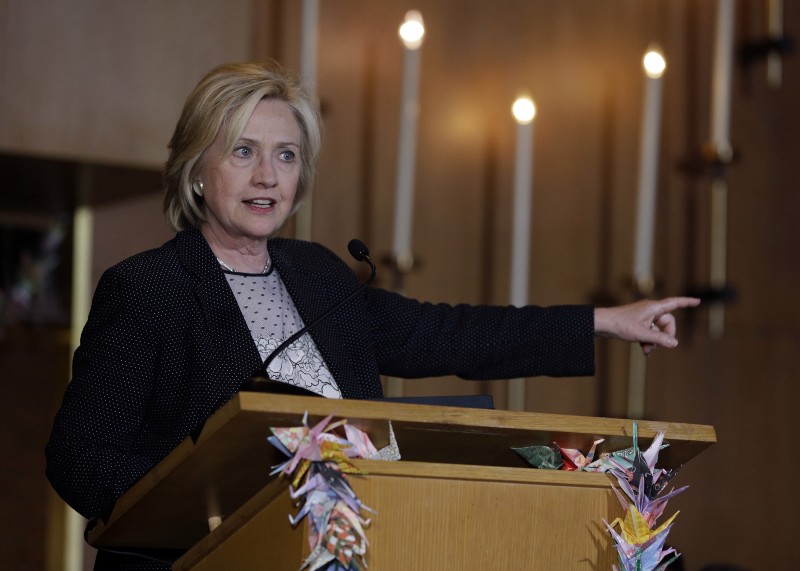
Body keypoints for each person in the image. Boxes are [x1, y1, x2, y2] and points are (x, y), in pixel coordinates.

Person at [45, 62, 700, 570]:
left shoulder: (321, 277)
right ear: (196, 170)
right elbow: (78, 456)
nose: (267, 174)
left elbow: (451, 333)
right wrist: (205, 492)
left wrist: (605, 320)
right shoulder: (149, 288)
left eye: (286, 154)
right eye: (242, 151)